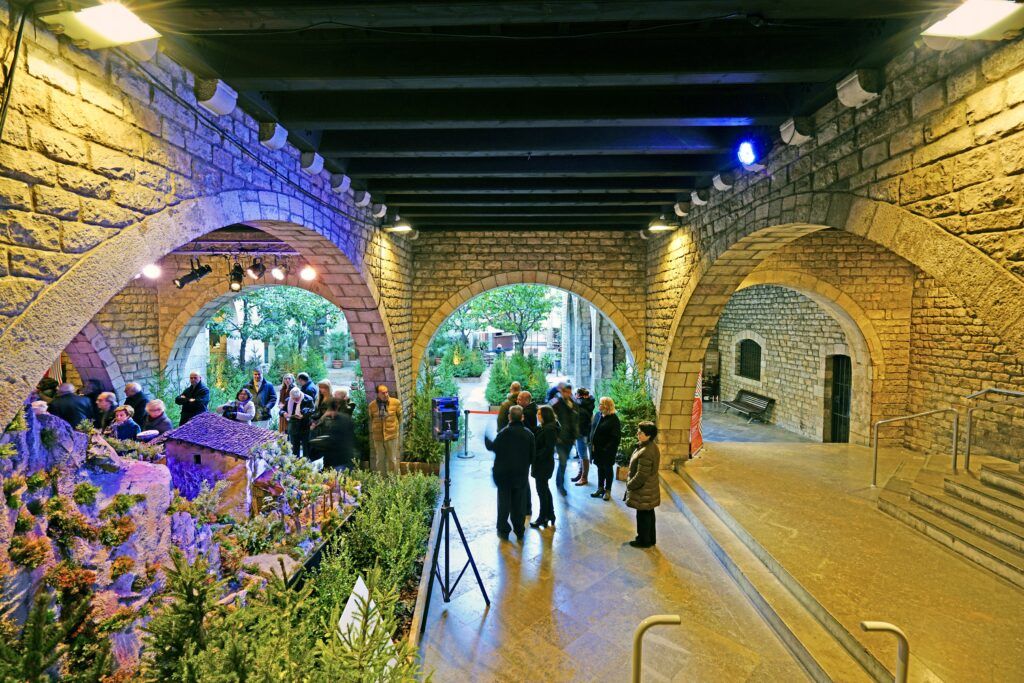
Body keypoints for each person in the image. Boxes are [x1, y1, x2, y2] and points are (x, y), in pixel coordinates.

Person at [484, 405, 534, 540]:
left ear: (509, 417)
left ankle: (503, 528)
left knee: (503, 503)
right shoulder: (529, 434)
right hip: (520, 475)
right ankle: (519, 530)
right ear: (522, 417)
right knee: (519, 504)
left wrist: (486, 437)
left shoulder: (503, 433)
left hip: (504, 476)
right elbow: (532, 456)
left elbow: (492, 447)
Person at [625, 422, 661, 548]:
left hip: (644, 489)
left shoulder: (646, 451)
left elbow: (641, 475)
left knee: (643, 516)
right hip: (648, 488)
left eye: (640, 432)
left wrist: (630, 485)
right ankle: (651, 539)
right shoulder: (650, 446)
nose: (637, 434)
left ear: (649, 435)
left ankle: (643, 540)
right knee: (649, 513)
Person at [530, 404, 558, 529]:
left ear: (545, 415)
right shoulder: (543, 427)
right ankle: (550, 514)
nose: (537, 415)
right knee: (544, 489)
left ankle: (543, 517)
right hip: (542, 463)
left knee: (542, 491)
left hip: (544, 464)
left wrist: (534, 456)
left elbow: (548, 449)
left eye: (540, 414)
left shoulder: (549, 429)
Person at [309, 398, 356, 471]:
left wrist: (314, 442)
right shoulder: (346, 418)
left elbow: (332, 439)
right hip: (345, 458)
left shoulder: (335, 421)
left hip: (338, 461)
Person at [590, 396, 622, 501]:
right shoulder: (598, 415)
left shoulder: (614, 419)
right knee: (600, 469)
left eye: (600, 404)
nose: (598, 405)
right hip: (597, 450)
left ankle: (608, 490)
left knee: (607, 470)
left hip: (608, 452)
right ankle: (600, 488)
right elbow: (593, 430)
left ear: (606, 406)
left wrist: (606, 448)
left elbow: (615, 438)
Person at [550, 383, 579, 496]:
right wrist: (556, 436)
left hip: (570, 438)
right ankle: (560, 485)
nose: (567, 394)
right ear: (561, 392)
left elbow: (576, 420)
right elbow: (549, 416)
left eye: (569, 392)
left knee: (564, 462)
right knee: (562, 462)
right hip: (560, 439)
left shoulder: (574, 403)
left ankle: (560, 482)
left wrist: (575, 435)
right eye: (565, 392)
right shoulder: (556, 403)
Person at [368, 384, 402, 473]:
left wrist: (394, 429)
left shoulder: (396, 403)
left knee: (392, 459)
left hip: (391, 436)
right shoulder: (372, 406)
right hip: (378, 437)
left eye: (387, 392)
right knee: (380, 460)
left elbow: (400, 417)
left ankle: (393, 479)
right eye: (383, 393)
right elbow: (371, 419)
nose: (386, 394)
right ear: (378, 394)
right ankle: (382, 480)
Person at [572, 388, 596, 487]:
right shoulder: (587, 403)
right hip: (584, 432)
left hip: (581, 433)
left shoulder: (580, 406)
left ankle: (584, 478)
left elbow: (579, 422)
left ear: (578, 395)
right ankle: (580, 474)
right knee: (582, 455)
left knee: (583, 455)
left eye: (575, 394)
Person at [284, 387, 315, 459]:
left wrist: (304, 413)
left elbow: (313, 411)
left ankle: (306, 464)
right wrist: (284, 413)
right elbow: (283, 410)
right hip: (293, 426)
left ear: (300, 394)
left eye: (296, 398)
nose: (295, 400)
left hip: (305, 426)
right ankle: (295, 464)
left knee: (306, 448)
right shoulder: (289, 399)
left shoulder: (308, 399)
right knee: (294, 449)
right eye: (293, 398)